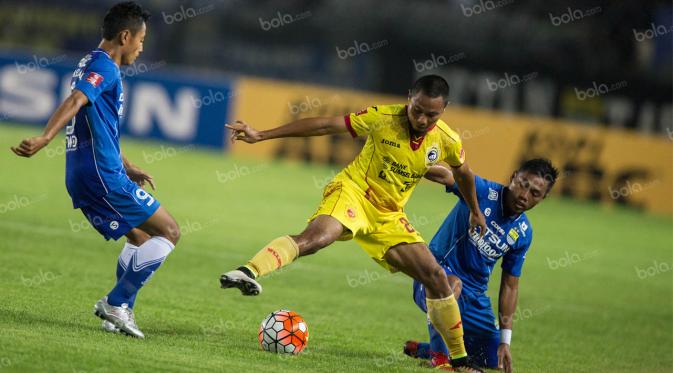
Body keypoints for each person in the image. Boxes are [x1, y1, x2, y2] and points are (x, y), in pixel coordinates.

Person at [222, 75, 487, 372]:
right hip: (354, 193)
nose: (423, 119)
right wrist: (262, 135)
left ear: (444, 110)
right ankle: (248, 271)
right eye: (417, 110)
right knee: (318, 238)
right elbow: (325, 125)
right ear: (409, 97)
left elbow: (464, 173)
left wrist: (475, 210)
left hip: (389, 215)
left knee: (436, 278)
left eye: (432, 114)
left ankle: (457, 363)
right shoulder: (381, 117)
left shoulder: (448, 140)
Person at [10, 1, 180, 339]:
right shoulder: (105, 67)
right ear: (125, 35)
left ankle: (120, 311)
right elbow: (75, 101)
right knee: (170, 231)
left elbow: (100, 125)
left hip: (87, 173)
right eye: (141, 40)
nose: (142, 47)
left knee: (140, 236)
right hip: (101, 175)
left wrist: (127, 165)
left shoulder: (91, 62)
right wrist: (45, 137)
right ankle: (116, 303)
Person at [404, 159, 558, 372]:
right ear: (513, 177)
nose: (524, 196)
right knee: (452, 286)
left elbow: (510, 286)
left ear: (543, 198)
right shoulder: (483, 192)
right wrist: (408, 161)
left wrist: (505, 340)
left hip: (474, 295)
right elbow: (447, 176)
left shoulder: (523, 232)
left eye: (535, 193)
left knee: (494, 359)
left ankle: (426, 349)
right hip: (435, 276)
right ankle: (443, 361)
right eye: (523, 184)